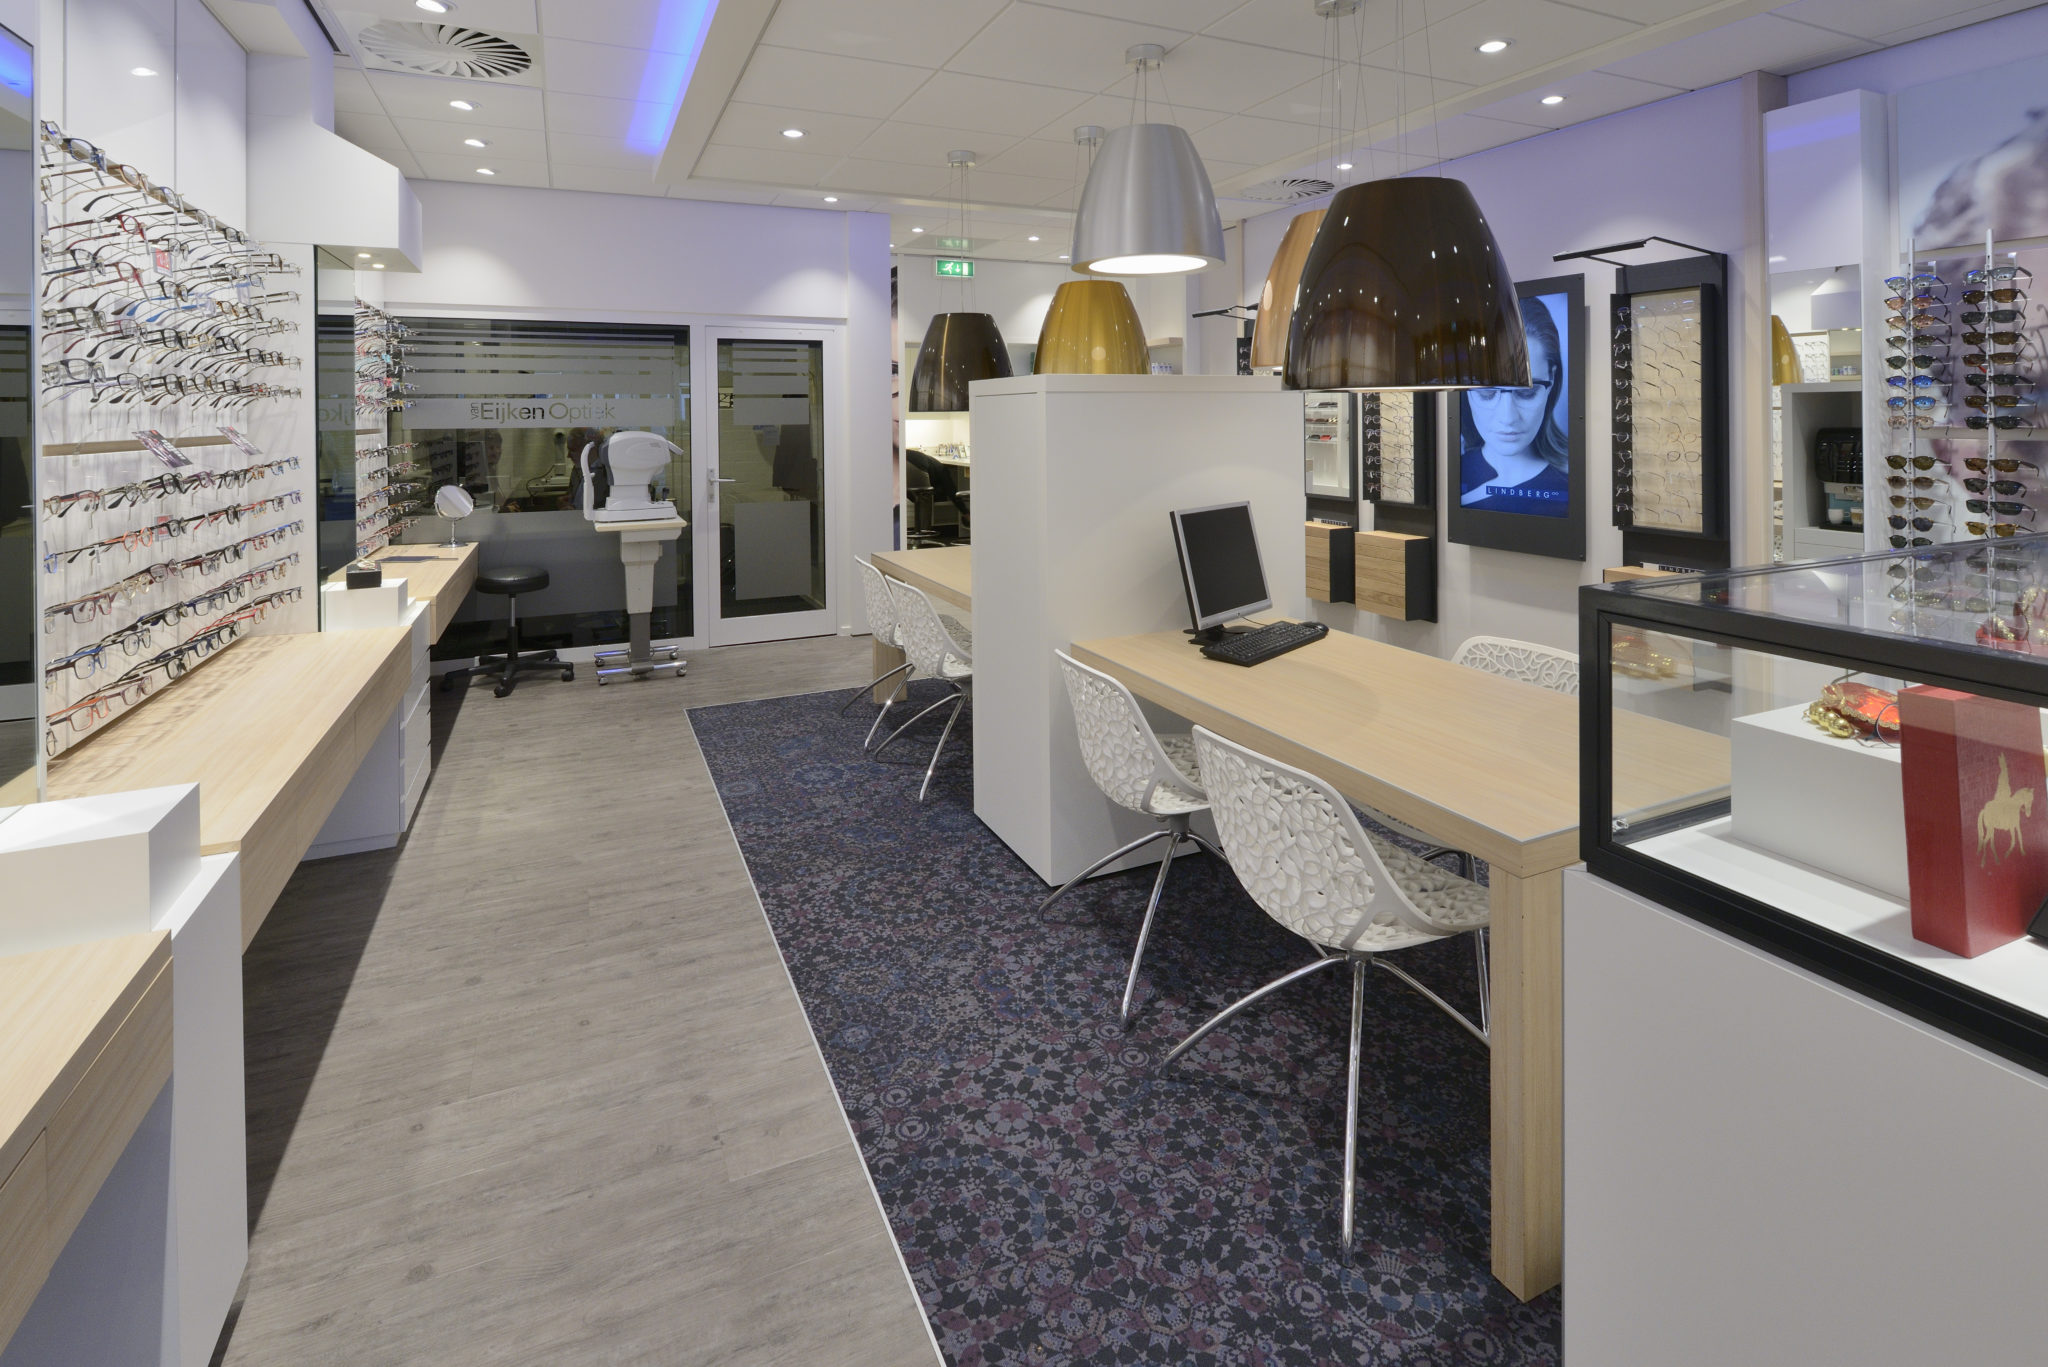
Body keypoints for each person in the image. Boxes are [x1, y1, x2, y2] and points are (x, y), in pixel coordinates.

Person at [1459, 297, 1569, 516]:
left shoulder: (1568, 488)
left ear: (1552, 379)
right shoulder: (1450, 470)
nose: (1508, 417)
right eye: (1487, 392)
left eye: (1527, 393)